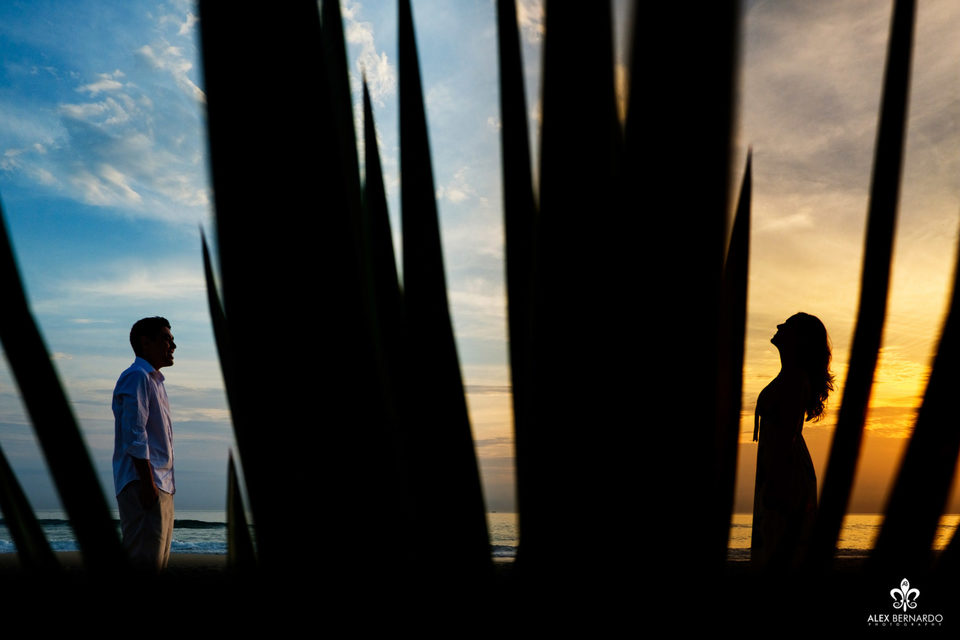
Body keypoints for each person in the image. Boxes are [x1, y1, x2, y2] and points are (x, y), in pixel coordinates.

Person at [751, 312, 833, 570]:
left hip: (784, 471)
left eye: (786, 325)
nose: (778, 325)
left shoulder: (795, 379)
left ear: (800, 339)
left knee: (780, 554)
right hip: (779, 468)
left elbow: (787, 435)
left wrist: (775, 483)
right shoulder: (790, 376)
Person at [112, 316, 177, 571]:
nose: (173, 345)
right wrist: (148, 484)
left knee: (156, 562)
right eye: (166, 339)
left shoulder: (155, 381)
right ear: (145, 343)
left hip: (160, 484)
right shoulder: (136, 376)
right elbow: (135, 434)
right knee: (143, 562)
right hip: (145, 484)